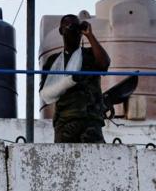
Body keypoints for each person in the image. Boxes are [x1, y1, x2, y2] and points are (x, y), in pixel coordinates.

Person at [39, 14, 112, 143]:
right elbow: (45, 94)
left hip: (91, 120)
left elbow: (104, 63)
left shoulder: (89, 55)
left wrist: (90, 35)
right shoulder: (53, 61)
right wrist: (70, 81)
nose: (75, 32)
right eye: (70, 27)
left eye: (77, 28)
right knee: (64, 162)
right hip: (65, 121)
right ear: (61, 31)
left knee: (96, 160)